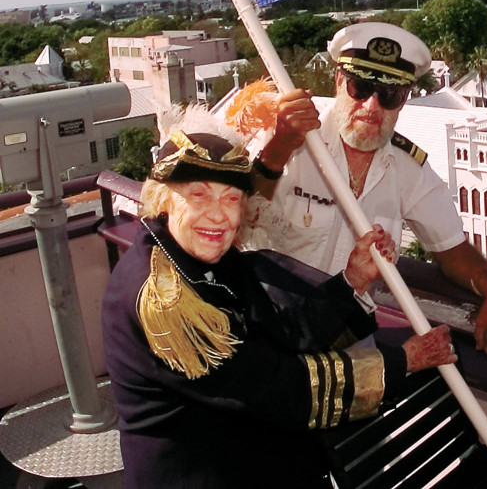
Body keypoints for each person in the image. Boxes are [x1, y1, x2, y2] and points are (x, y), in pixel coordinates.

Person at [102, 119, 456, 489]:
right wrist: (403, 361)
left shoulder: (207, 260)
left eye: (231, 197)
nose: (218, 214)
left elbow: (278, 332)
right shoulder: (166, 299)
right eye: (199, 195)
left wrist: (352, 280)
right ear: (164, 201)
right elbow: (278, 389)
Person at [248, 22, 487, 355]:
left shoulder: (408, 169)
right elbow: (241, 218)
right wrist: (278, 149)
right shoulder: (290, 138)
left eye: (389, 94)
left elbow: (452, 249)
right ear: (338, 80)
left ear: (403, 100)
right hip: (270, 336)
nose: (372, 106)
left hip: (346, 347)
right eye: (360, 87)